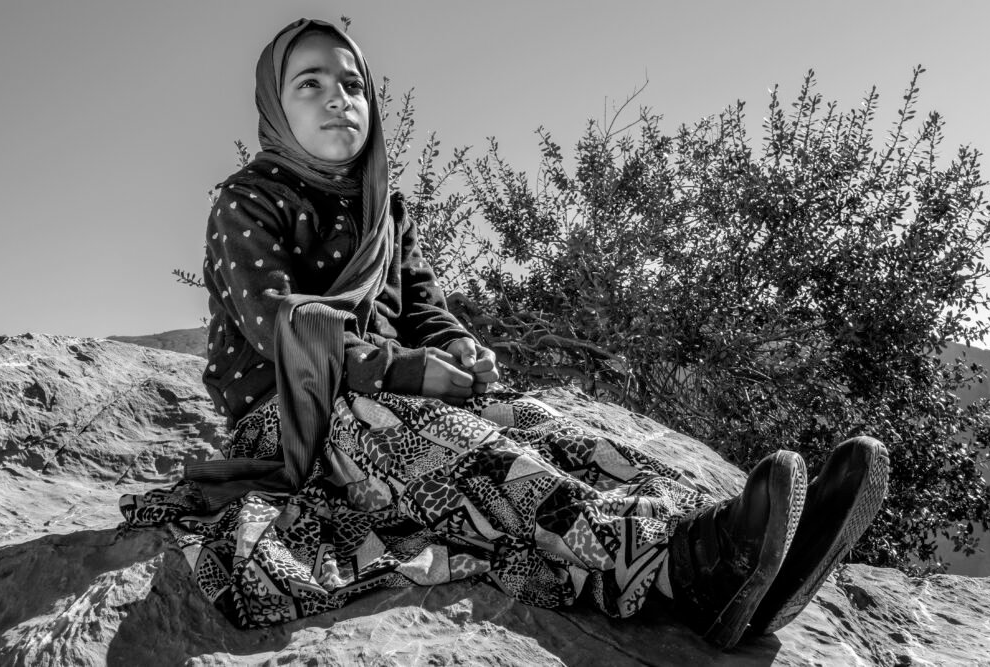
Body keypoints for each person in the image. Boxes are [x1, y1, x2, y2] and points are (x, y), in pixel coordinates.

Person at [119, 18, 889, 650]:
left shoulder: (384, 208)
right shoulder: (247, 204)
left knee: (550, 429)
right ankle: (679, 568)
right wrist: (407, 372)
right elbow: (281, 325)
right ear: (274, 105)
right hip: (296, 420)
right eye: (310, 84)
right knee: (472, 457)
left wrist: (456, 347)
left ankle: (742, 546)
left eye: (353, 84)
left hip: (402, 394)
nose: (339, 100)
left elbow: (423, 304)